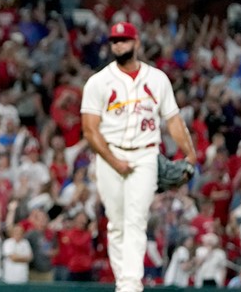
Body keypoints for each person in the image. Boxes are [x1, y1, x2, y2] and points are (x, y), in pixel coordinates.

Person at [80, 21, 197, 292]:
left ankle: (130, 285)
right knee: (117, 223)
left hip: (145, 154)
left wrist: (190, 153)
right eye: (115, 40)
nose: (118, 44)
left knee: (135, 219)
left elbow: (174, 121)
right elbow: (89, 130)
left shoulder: (157, 79)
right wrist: (113, 161)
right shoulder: (98, 82)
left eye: (124, 40)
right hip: (110, 153)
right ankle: (125, 282)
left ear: (137, 43)